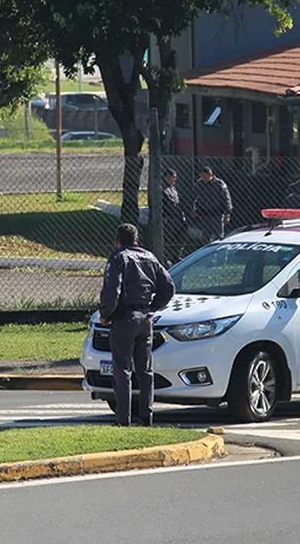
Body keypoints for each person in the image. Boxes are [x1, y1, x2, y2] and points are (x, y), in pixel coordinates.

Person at [99, 224, 175, 427]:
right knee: (145, 371)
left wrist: (106, 314)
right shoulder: (150, 257)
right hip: (145, 318)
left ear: (117, 241)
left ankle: (123, 419)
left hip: (124, 317)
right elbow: (168, 287)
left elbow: (112, 292)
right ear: (137, 240)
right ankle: (146, 417)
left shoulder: (118, 258)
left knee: (122, 369)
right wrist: (153, 307)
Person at [192, 166, 232, 243]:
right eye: (201, 176)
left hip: (217, 213)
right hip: (204, 213)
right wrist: (193, 209)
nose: (203, 178)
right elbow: (193, 197)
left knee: (219, 236)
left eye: (205, 176)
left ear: (210, 175)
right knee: (205, 237)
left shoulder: (219, 184)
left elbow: (227, 199)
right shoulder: (199, 184)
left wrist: (228, 213)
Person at [161, 169, 187, 264]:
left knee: (181, 237)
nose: (174, 179)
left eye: (175, 177)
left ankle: (176, 256)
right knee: (167, 239)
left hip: (177, 217)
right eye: (173, 177)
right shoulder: (162, 189)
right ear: (167, 177)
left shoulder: (173, 188)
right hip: (169, 218)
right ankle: (164, 258)